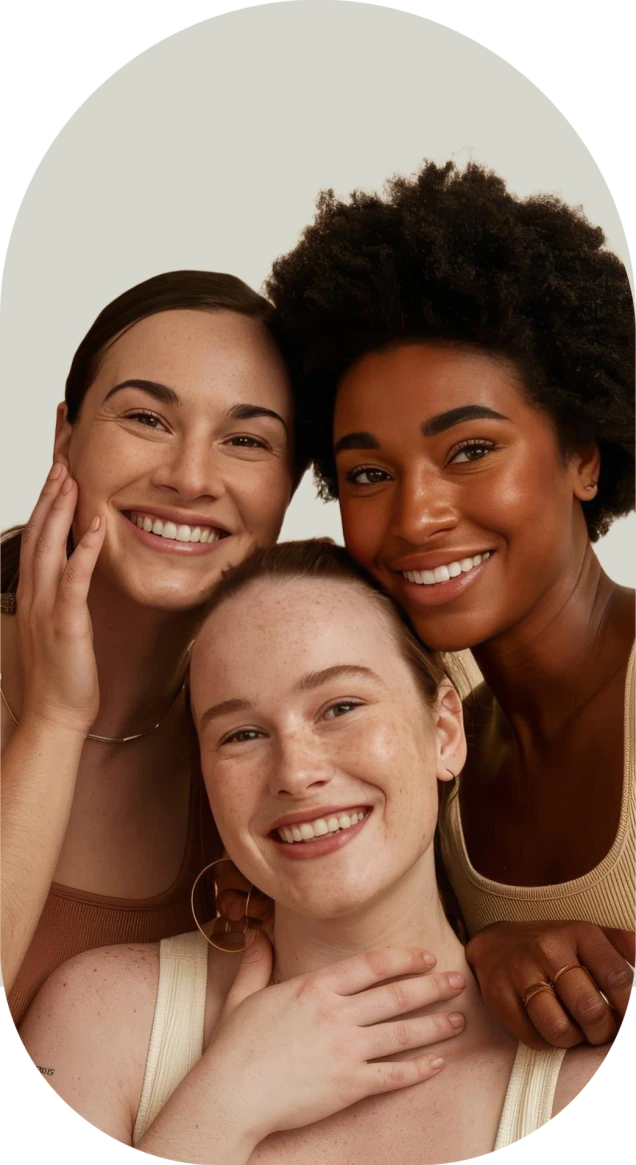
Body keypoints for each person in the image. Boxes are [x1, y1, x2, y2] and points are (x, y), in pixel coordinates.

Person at [19, 541, 615, 1164]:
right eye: (241, 734)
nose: (296, 774)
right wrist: (225, 1101)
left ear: (444, 730)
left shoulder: (580, 1077)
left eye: (341, 707)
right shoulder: (101, 1021)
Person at [264, 161, 635, 1050]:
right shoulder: (421, 721)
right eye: (367, 473)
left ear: (584, 454)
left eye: (469, 449)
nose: (416, 515)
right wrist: (482, 951)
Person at [1, 270, 303, 1025]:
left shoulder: (280, 743)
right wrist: (52, 721)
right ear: (66, 434)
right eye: (146, 418)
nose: (190, 478)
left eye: (245, 440)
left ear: (290, 485)